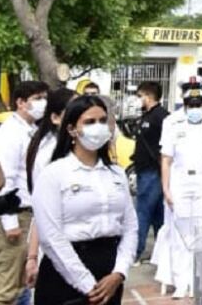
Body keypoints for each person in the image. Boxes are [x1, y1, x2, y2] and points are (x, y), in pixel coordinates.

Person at [32, 95, 136, 305]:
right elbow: (51, 237)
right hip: (66, 272)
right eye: (89, 122)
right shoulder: (54, 174)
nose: (98, 127)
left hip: (109, 271)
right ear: (72, 129)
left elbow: (130, 227)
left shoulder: (116, 174)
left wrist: (119, 272)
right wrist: (87, 284)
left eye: (102, 120)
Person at [155, 88, 202, 298]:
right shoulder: (174, 129)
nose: (195, 109)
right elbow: (166, 160)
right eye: (191, 106)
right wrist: (166, 188)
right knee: (180, 234)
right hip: (180, 181)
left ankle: (199, 280)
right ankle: (181, 282)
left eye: (199, 105)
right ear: (185, 107)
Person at [0, 80, 48, 305]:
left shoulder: (32, 130)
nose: (43, 103)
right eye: (37, 98)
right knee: (7, 288)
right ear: (20, 102)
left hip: (29, 214)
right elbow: (3, 180)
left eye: (44, 98)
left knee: (22, 284)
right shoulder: (10, 133)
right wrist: (10, 223)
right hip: (15, 215)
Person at [23, 88, 75, 292]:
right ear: (55, 117)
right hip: (57, 245)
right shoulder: (48, 154)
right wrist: (33, 256)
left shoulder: (75, 149)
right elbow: (42, 209)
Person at [130, 81, 168, 262]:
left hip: (153, 170)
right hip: (146, 169)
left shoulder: (161, 117)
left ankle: (136, 251)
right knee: (157, 213)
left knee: (143, 211)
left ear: (148, 96)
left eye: (139, 96)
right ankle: (162, 252)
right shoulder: (146, 116)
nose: (138, 100)